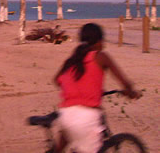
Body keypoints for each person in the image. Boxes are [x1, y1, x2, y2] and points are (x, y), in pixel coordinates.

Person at [53, 23, 141, 153]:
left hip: (66, 113)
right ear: (99, 40)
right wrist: (131, 92)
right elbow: (124, 82)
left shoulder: (73, 59)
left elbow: (57, 80)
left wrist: (79, 90)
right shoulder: (101, 56)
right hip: (87, 117)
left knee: (63, 144)